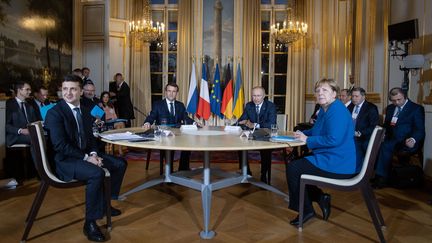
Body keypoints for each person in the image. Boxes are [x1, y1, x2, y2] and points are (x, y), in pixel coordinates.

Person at [44, 74, 127, 242]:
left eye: (73, 89)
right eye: (65, 89)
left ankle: (104, 204)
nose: (68, 93)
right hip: (65, 160)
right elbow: (60, 146)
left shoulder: (86, 107)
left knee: (120, 163)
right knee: (97, 173)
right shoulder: (55, 113)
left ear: (81, 91)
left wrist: (94, 154)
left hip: (85, 154)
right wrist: (86, 157)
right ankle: (90, 222)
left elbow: (91, 138)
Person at [287, 78, 356, 226]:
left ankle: (307, 210)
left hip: (339, 163)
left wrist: (307, 140)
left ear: (334, 93)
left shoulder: (337, 110)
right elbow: (317, 130)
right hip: (330, 156)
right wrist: (302, 133)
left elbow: (333, 139)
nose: (320, 93)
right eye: (318, 90)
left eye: (325, 90)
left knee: (294, 168)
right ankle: (319, 197)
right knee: (296, 164)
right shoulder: (326, 109)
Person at [372, 87, 425, 188]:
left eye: (399, 99)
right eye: (393, 100)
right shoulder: (390, 108)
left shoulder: (416, 108)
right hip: (392, 138)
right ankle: (382, 175)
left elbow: (420, 129)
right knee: (375, 145)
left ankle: (381, 179)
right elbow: (387, 125)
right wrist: (382, 133)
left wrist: (413, 139)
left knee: (385, 146)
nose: (396, 102)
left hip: (407, 140)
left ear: (405, 96)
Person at [143, 83, 195, 171]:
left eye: (174, 91)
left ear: (176, 93)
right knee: (169, 146)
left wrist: (194, 123)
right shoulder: (158, 104)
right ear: (166, 92)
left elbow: (185, 118)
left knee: (188, 145)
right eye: (169, 91)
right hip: (164, 135)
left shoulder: (180, 105)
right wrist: (147, 122)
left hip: (178, 135)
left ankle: (183, 170)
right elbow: (152, 116)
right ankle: (169, 174)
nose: (171, 94)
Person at [237, 86, 276, 184]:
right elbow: (242, 119)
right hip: (251, 135)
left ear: (264, 96)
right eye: (254, 96)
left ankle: (264, 174)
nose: (256, 98)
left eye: (258, 96)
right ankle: (246, 173)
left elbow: (271, 124)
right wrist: (236, 124)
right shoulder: (249, 105)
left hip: (265, 134)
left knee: (266, 149)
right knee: (240, 146)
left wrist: (255, 125)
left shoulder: (270, 106)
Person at [347, 87, 379, 172]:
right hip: (350, 135)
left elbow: (374, 126)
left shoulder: (371, 108)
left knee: (356, 144)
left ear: (363, 97)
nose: (353, 98)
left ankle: (357, 172)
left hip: (364, 136)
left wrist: (360, 133)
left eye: (356, 96)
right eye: (352, 96)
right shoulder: (350, 106)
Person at [6, 81, 39, 146]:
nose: (30, 92)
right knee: (35, 138)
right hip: (15, 136)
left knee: (45, 136)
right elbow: (6, 125)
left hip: (30, 134)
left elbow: (34, 122)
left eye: (30, 90)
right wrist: (20, 130)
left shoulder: (29, 106)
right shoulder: (9, 105)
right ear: (19, 90)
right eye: (27, 89)